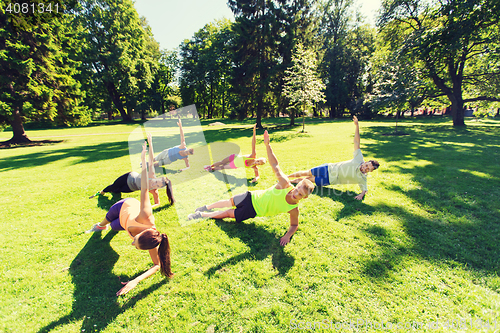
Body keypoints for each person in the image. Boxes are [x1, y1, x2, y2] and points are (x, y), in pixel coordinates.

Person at [188, 130, 315, 246]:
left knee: (228, 213)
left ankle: (201, 214)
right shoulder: (285, 184)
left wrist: (287, 236)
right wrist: (267, 145)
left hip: (253, 211)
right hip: (250, 196)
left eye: (299, 194)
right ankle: (207, 207)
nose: (295, 193)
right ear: (296, 185)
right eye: (297, 189)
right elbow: (275, 164)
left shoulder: (293, 209)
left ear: (304, 198)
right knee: (228, 202)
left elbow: (294, 225)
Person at [86, 141, 173, 296]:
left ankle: (107, 226)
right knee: (106, 221)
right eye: (136, 240)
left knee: (113, 226)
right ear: (143, 233)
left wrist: (136, 281)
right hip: (123, 207)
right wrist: (144, 158)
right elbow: (145, 188)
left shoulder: (152, 241)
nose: (132, 242)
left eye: (135, 245)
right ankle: (99, 226)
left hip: (124, 223)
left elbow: (156, 265)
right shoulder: (145, 216)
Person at [288, 116, 380, 200]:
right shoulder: (359, 159)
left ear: (370, 171)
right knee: (307, 172)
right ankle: (286, 177)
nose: (365, 168)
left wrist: (361, 195)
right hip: (328, 168)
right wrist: (357, 126)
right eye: (366, 165)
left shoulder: (362, 178)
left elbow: (364, 189)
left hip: (330, 180)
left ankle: (291, 181)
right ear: (366, 162)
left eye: (368, 169)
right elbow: (356, 142)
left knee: (309, 179)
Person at [89, 135, 175, 206]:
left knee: (117, 191)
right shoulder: (151, 175)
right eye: (156, 182)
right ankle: (102, 192)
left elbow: (157, 203)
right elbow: (151, 159)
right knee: (114, 186)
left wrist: (150, 208)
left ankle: (113, 191)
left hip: (131, 187)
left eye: (157, 185)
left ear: (159, 187)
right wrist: (150, 144)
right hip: (129, 177)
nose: (154, 184)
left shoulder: (154, 191)